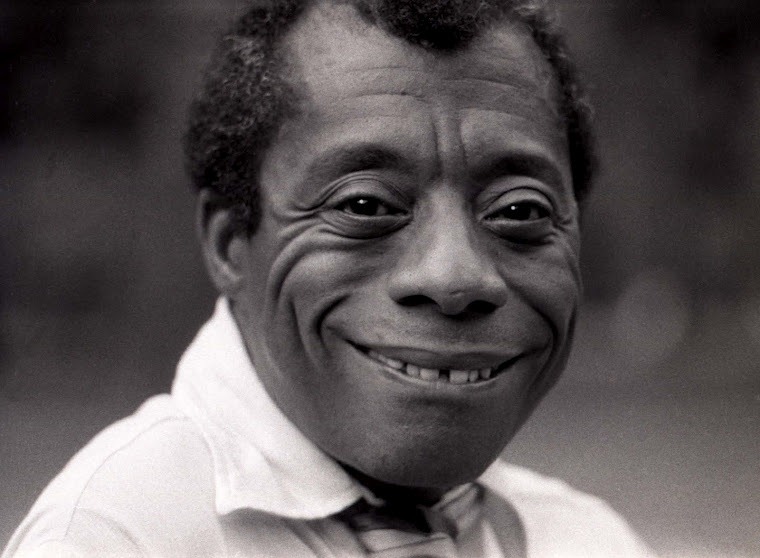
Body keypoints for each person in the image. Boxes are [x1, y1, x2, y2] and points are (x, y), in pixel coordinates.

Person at [3, 0, 654, 556]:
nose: (456, 277)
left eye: (519, 212)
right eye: (365, 205)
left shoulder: (588, 540)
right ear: (230, 244)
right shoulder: (118, 537)